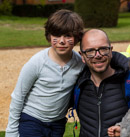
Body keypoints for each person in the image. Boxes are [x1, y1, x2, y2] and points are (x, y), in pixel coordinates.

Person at [6, 9, 84, 137]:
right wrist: (11, 132)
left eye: (68, 36)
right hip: (31, 120)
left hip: (57, 124)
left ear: (77, 38)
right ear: (49, 36)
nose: (62, 41)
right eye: (56, 36)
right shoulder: (37, 62)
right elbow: (18, 95)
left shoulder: (79, 63)